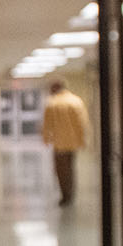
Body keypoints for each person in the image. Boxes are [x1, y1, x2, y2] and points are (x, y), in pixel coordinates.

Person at [41, 78, 89, 207]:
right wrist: (82, 140)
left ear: (55, 88)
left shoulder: (52, 103)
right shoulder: (76, 101)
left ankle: (65, 195)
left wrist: (46, 138)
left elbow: (47, 124)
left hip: (59, 143)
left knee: (61, 170)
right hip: (72, 143)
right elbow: (82, 123)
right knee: (71, 168)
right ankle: (70, 193)